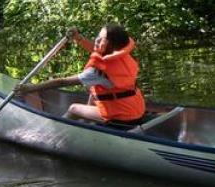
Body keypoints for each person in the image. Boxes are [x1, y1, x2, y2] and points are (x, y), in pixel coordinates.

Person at [15, 23, 147, 126]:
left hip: (121, 117)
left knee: (73, 109)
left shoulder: (97, 71)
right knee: (93, 89)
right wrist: (79, 38)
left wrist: (29, 89)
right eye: (98, 36)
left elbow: (62, 82)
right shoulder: (120, 55)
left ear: (110, 44)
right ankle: (87, 122)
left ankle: (60, 130)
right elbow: (95, 49)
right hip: (135, 110)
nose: (97, 40)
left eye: (101, 39)